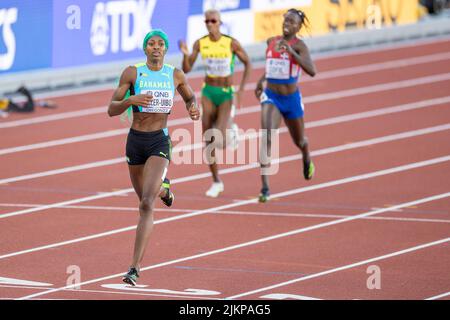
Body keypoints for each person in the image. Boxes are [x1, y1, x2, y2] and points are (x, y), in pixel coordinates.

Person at [108, 29, 200, 286]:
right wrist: (130, 100)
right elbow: (110, 110)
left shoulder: (175, 74)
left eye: (161, 44)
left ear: (165, 49)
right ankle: (164, 189)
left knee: (145, 204)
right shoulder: (132, 73)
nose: (156, 47)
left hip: (159, 140)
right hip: (135, 142)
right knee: (145, 196)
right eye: (151, 44)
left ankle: (134, 268)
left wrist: (193, 108)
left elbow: (191, 96)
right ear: (145, 49)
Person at [178, 9, 251, 198]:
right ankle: (216, 181)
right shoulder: (200, 43)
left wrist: (241, 90)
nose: (210, 24)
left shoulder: (231, 43)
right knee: (208, 139)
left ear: (220, 22)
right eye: (207, 21)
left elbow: (248, 63)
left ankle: (231, 130)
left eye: (213, 21)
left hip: (226, 94)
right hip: (209, 92)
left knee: (219, 139)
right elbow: (186, 68)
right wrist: (185, 54)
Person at [255, 8, 316, 203]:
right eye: (286, 20)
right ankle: (265, 187)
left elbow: (312, 71)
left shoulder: (300, 46)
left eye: (292, 22)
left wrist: (291, 52)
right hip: (271, 96)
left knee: (299, 141)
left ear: (299, 27)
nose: (287, 24)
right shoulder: (271, 42)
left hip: (291, 100)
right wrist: (261, 80)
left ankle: (306, 155)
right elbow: (273, 68)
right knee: (267, 138)